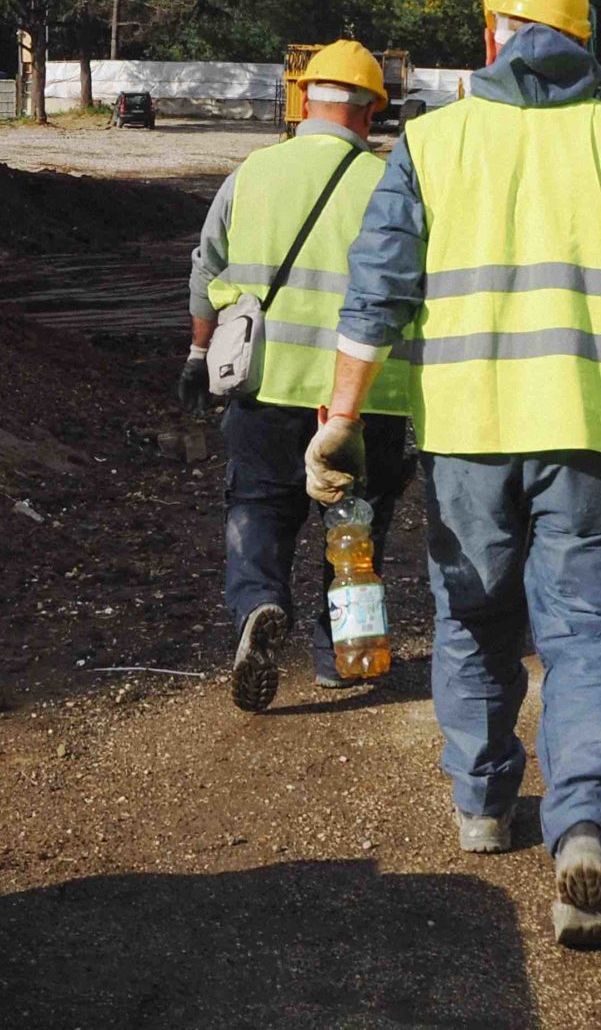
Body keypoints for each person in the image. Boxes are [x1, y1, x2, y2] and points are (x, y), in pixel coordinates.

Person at [309, 0, 601, 948]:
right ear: (584, 44)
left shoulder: (432, 142)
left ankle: (485, 808)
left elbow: (376, 295)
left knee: (473, 623)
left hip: (466, 438)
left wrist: (339, 417)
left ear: (494, 36)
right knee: (591, 636)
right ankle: (581, 826)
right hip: (593, 433)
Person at [183, 39, 418, 713]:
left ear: (305, 99)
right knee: (354, 522)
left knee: (258, 504)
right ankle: (337, 653)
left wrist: (199, 355)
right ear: (373, 110)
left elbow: (207, 269)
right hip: (363, 395)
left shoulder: (253, 172)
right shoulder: (390, 185)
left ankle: (259, 604)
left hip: (266, 383)